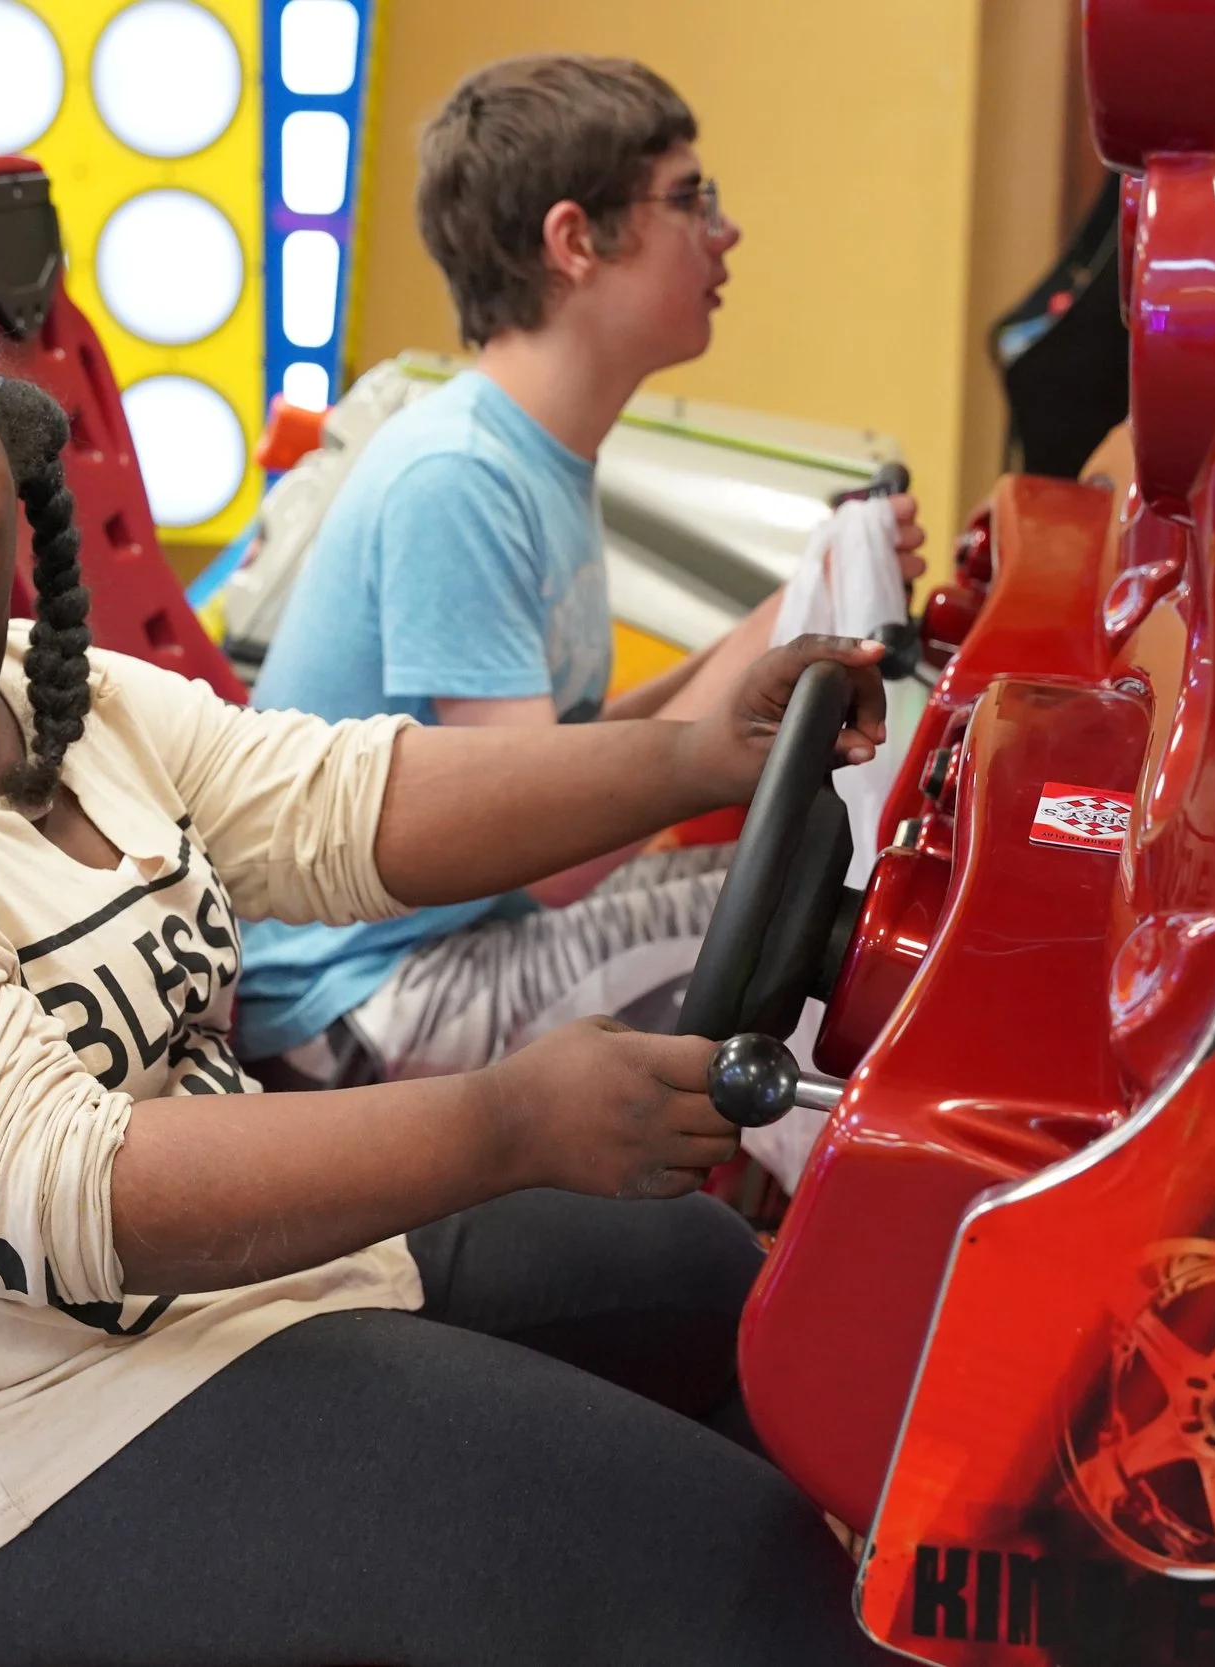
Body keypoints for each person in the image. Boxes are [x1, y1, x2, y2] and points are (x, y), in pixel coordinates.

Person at [0, 293, 896, 1666]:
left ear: (11, 489)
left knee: (720, 1283)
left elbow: (344, 804)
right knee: (714, 1564)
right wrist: (508, 1121)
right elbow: (60, 1196)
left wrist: (700, 754)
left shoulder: (44, 690)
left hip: (213, 1301)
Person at [238, 55, 926, 1084]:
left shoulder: (533, 452)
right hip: (356, 1001)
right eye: (691, 198)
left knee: (817, 898)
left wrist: (791, 610)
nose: (724, 231)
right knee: (835, 927)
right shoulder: (457, 475)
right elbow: (550, 855)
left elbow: (566, 756)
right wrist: (778, 621)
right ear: (574, 242)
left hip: (453, 942)